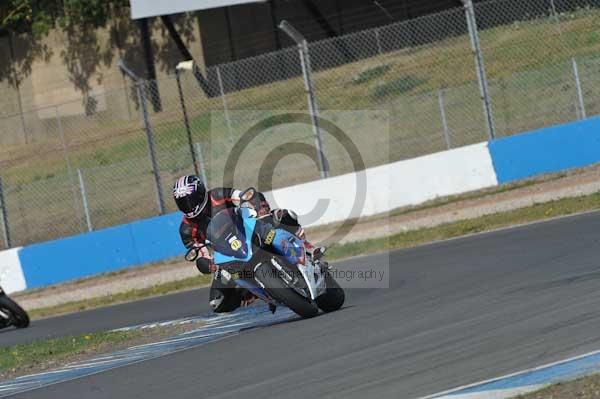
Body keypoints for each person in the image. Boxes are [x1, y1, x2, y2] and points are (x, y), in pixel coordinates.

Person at [172, 175, 325, 313]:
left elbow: (245, 195)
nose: (188, 206)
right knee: (217, 302)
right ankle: (252, 292)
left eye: (190, 200)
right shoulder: (186, 229)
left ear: (200, 192)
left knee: (279, 216)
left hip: (247, 229)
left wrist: (260, 209)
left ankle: (307, 247)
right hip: (226, 255)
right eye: (183, 202)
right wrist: (208, 264)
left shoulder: (218, 195)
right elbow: (199, 252)